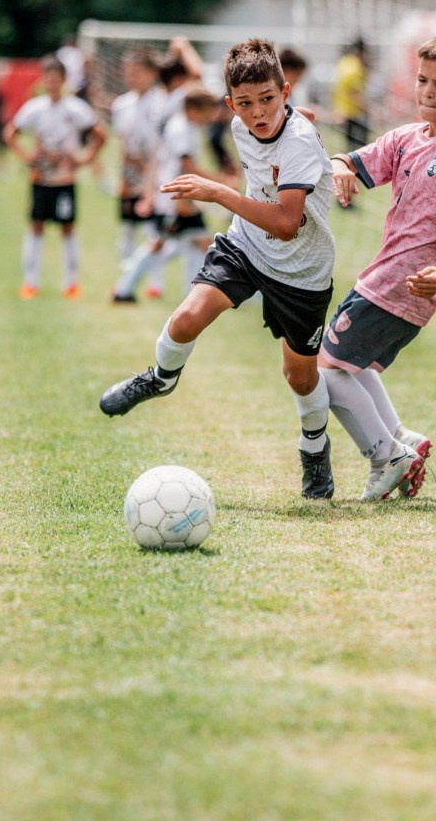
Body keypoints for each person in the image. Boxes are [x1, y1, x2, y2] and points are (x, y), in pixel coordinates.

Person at [100, 39, 339, 501]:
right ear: (231, 104)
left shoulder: (300, 146)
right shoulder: (238, 124)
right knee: (186, 318)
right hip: (246, 247)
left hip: (302, 270)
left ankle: (314, 447)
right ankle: (160, 377)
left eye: (268, 99)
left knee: (300, 376)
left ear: (285, 91)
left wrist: (218, 192)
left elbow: (289, 225)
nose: (258, 112)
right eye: (245, 104)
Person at [321, 32, 436, 501]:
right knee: (351, 365)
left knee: (328, 369)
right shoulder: (407, 138)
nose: (427, 92)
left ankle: (387, 455)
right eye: (422, 81)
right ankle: (402, 439)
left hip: (404, 284)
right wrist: (339, 167)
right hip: (384, 276)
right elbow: (351, 159)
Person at [110, 88, 228, 303]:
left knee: (196, 242)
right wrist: (218, 181)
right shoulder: (180, 129)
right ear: (193, 109)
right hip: (175, 199)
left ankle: (192, 294)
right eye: (207, 111)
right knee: (164, 243)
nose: (210, 116)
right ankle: (123, 289)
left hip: (177, 197)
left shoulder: (186, 127)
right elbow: (185, 166)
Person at [6, 55, 106, 300]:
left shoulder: (75, 108)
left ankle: (71, 282)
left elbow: (100, 136)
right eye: (47, 79)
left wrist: (83, 159)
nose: (51, 84)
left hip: (64, 181)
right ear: (42, 80)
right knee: (36, 226)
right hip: (41, 179)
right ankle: (31, 281)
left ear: (64, 80)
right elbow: (10, 134)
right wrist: (28, 157)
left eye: (56, 79)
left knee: (67, 228)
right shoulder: (34, 108)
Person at [110, 49, 165, 270]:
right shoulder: (121, 104)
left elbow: (161, 143)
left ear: (152, 73)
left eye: (138, 73)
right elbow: (123, 142)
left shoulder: (160, 102)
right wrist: (123, 175)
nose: (132, 78)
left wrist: (151, 172)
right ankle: (127, 272)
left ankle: (154, 280)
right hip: (131, 172)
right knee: (128, 224)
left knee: (152, 226)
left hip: (155, 172)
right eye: (129, 73)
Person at [332, 39, 369, 155]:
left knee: (348, 146)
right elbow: (353, 92)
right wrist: (365, 108)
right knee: (360, 148)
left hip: (342, 110)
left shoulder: (343, 63)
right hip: (354, 113)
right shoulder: (355, 66)